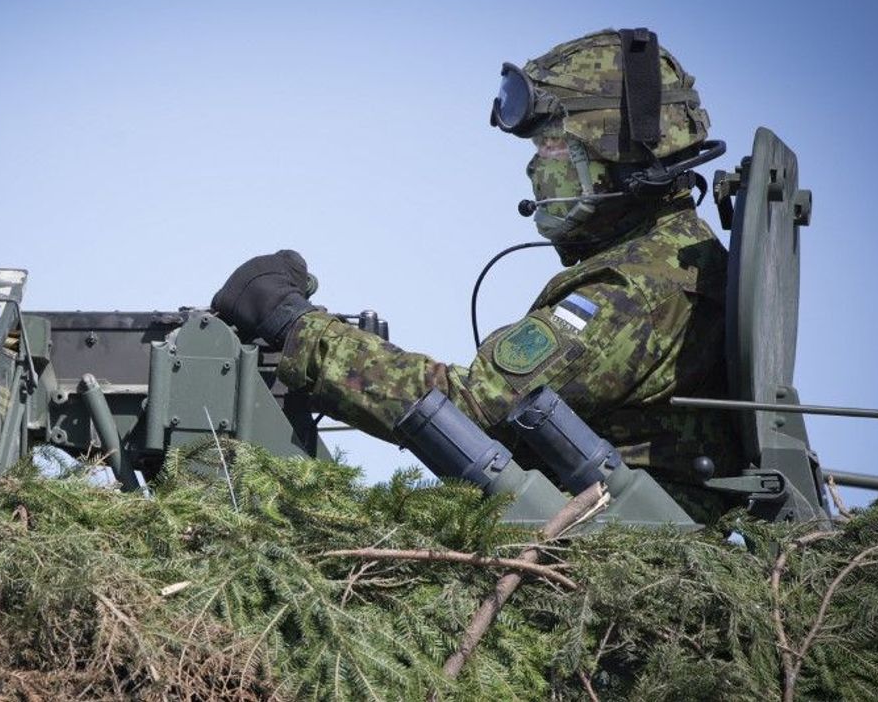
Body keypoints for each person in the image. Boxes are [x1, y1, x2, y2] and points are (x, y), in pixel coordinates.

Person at [212, 28, 740, 522]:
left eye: (552, 145)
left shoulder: (635, 292)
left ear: (615, 154)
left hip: (607, 551)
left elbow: (466, 409)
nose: (536, 167)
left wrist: (294, 324)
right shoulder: (667, 259)